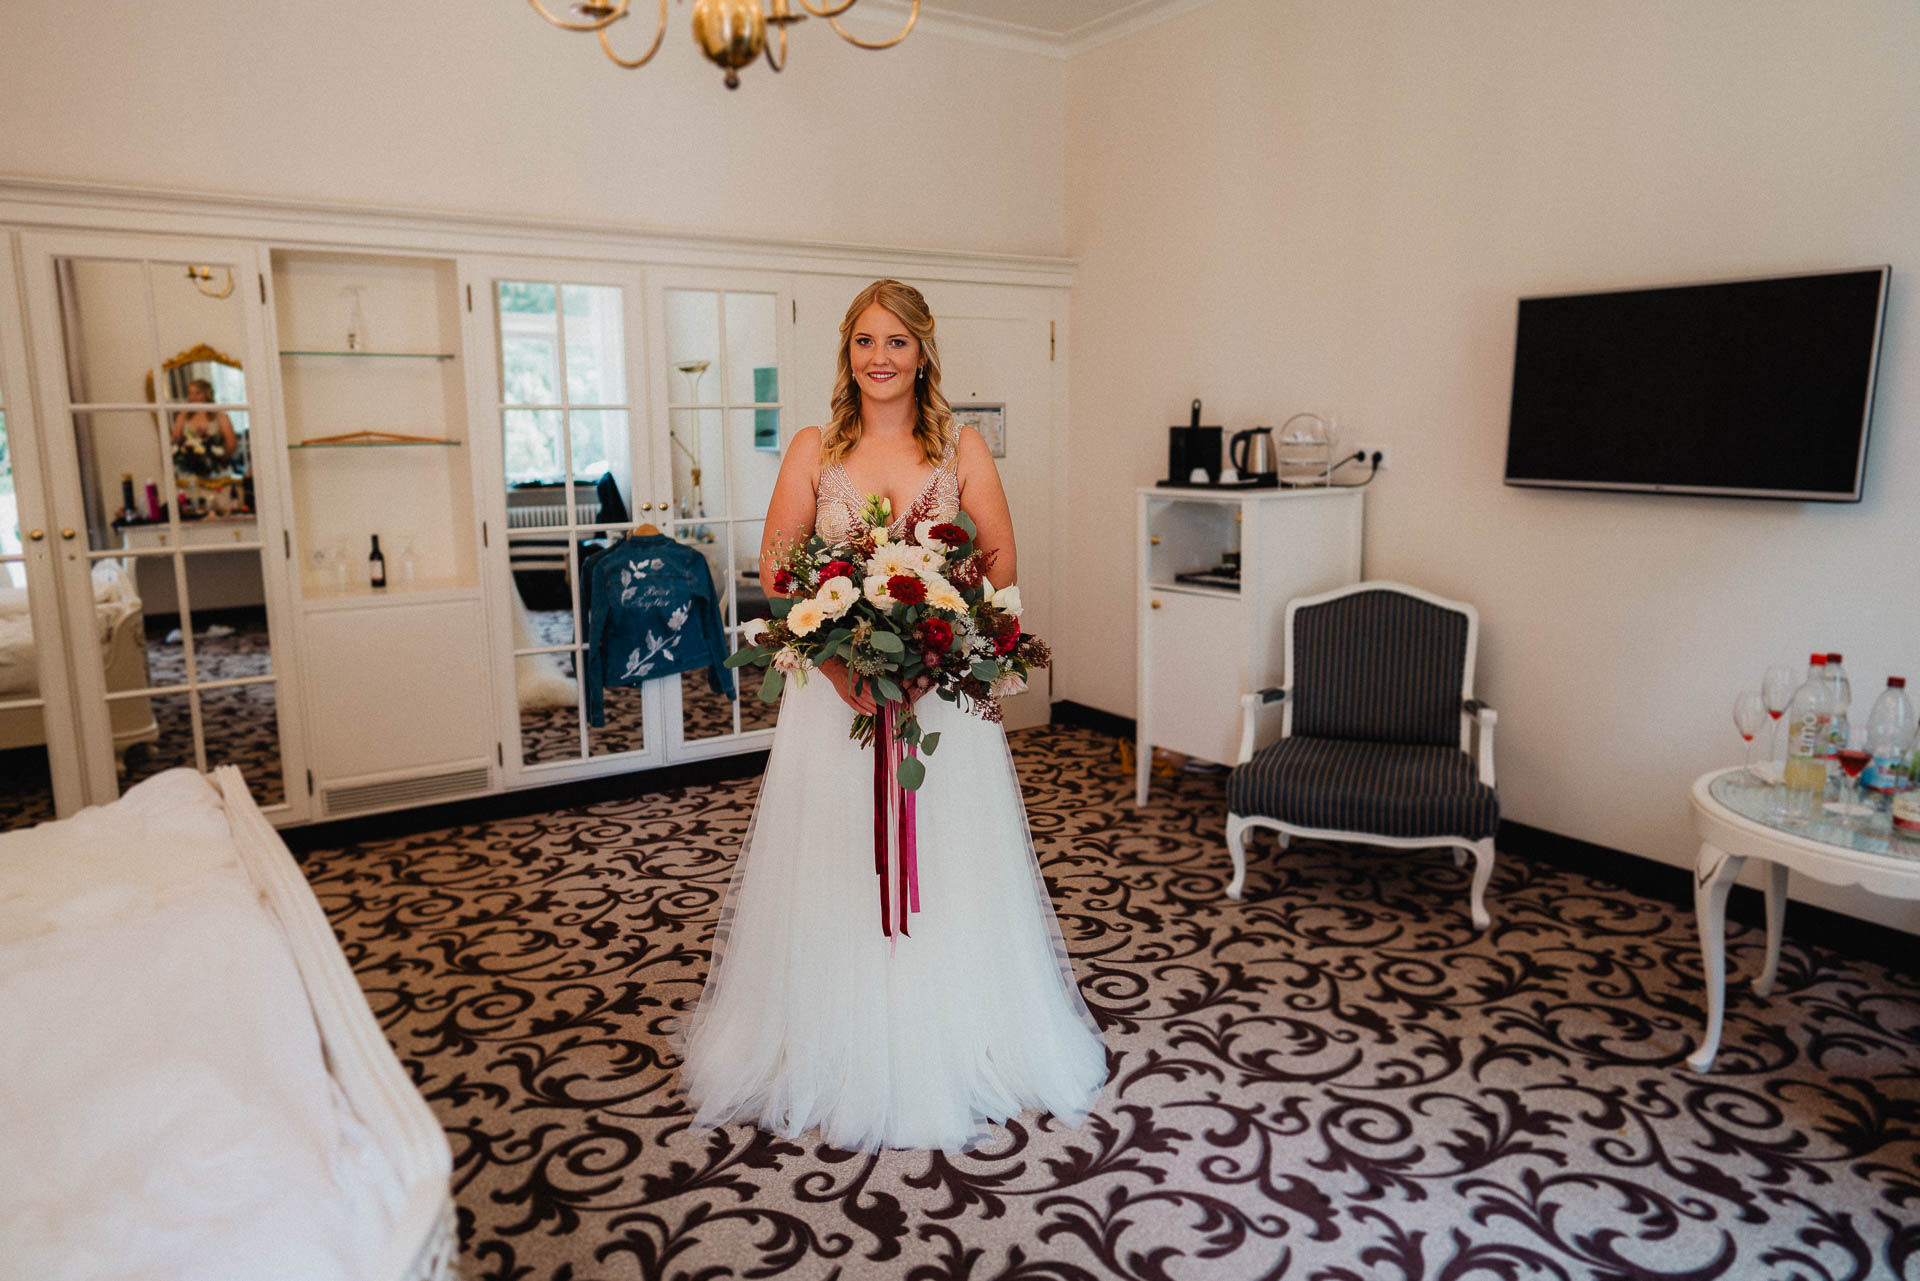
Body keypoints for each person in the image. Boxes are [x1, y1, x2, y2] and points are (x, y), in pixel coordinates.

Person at [679, 280, 1107, 1152]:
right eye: (866, 341)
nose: (880, 357)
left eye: (898, 343)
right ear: (848, 351)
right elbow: (778, 567)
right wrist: (841, 662)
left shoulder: (961, 448)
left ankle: (957, 1029)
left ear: (923, 354)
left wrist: (935, 652)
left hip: (941, 701)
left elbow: (994, 562)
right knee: (833, 860)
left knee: (951, 860)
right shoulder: (811, 448)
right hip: (830, 702)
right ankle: (828, 1036)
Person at [169, 378, 239, 472]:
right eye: (190, 393)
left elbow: (232, 445)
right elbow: (175, 441)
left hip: (215, 468)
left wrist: (217, 458)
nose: (193, 397)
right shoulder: (182, 416)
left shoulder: (221, 417)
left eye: (197, 393)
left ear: (207, 394)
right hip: (188, 469)